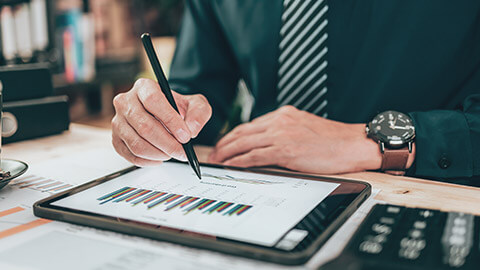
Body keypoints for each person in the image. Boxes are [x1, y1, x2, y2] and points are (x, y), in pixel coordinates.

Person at [112, 0, 480, 184]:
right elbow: (195, 94)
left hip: (428, 194)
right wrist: (158, 118)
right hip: (259, 192)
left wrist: (367, 142)